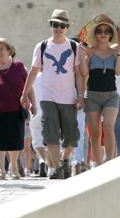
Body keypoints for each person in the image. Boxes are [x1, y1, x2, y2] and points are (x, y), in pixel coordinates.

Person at [21, 9, 84, 179]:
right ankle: (55, 168)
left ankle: (63, 160)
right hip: (48, 98)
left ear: (67, 27)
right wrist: (24, 93)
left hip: (69, 97)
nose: (59, 28)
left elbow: (79, 73)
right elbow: (33, 72)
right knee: (51, 134)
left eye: (62, 25)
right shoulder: (41, 46)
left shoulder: (74, 46)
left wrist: (80, 95)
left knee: (71, 137)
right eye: (55, 24)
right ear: (51, 26)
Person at [0, 38, 35, 180]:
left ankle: (14, 168)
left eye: (2, 48)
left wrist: (34, 104)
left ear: (9, 51)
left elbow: (28, 86)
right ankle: (0, 169)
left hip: (15, 109)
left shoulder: (18, 66)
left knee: (14, 140)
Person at [79, 14, 120, 166]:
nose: (103, 34)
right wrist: (84, 56)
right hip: (92, 95)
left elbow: (118, 72)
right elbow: (84, 73)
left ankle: (110, 162)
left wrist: (119, 54)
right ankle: (98, 165)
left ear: (110, 35)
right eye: (100, 31)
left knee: (109, 126)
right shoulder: (90, 52)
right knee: (95, 133)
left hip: (111, 95)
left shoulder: (115, 51)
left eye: (106, 31)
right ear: (96, 35)